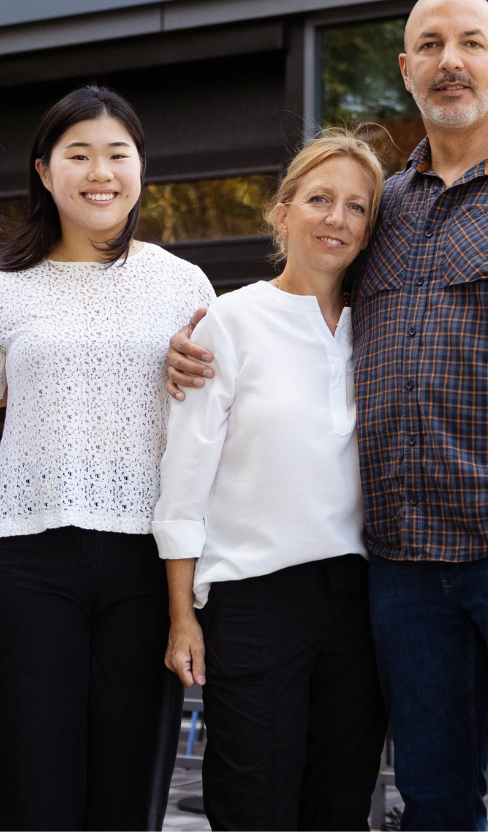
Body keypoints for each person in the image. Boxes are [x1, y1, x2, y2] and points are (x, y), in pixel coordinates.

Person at [170, 0, 488, 830]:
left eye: (470, 42)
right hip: (402, 565)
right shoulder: (384, 208)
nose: (449, 60)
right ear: (406, 69)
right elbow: (299, 315)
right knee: (430, 798)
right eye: (429, 44)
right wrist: (189, 344)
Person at [0, 85, 216, 831]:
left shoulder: (185, 286)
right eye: (79, 154)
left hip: (148, 566)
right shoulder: (1, 293)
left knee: (128, 793)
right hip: (24, 561)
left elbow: (221, 425)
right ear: (45, 171)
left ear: (141, 169)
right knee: (30, 789)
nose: (99, 171)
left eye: (117, 154)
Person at [154, 130, 390, 830]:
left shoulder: (380, 323)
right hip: (254, 601)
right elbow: (184, 480)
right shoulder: (229, 321)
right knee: (253, 806)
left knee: (338, 809)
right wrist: (181, 615)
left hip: (357, 603)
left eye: (356, 207)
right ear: (282, 213)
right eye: (320, 199)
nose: (337, 219)